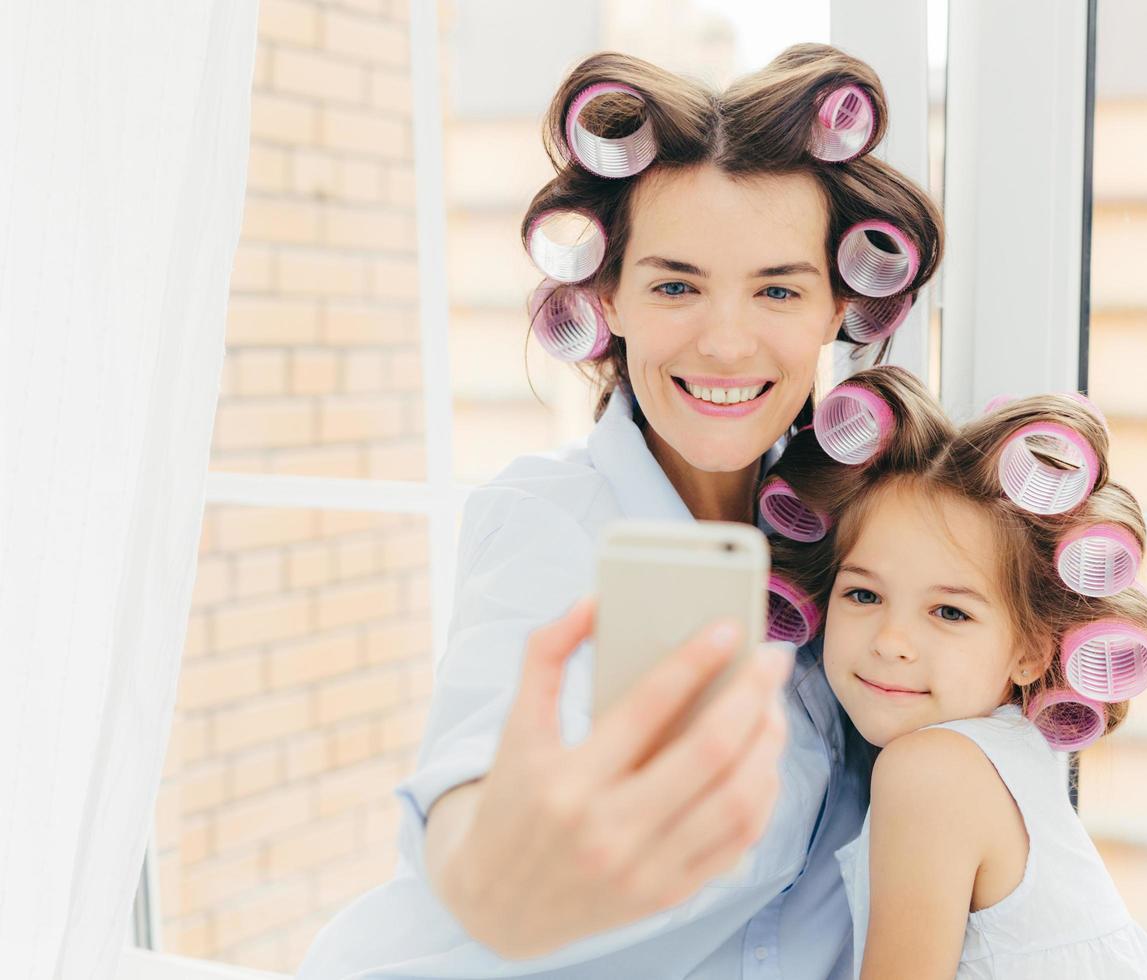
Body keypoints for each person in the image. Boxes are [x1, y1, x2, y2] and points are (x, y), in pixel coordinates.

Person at [297, 43, 943, 979]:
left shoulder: (857, 531)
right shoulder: (549, 523)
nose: (725, 342)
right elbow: (475, 806)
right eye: (675, 284)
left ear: (838, 307)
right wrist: (508, 878)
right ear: (610, 296)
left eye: (777, 289)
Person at [760, 366, 1147, 979]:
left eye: (950, 612)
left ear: (1032, 649)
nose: (892, 642)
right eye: (863, 596)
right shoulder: (1000, 750)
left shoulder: (931, 770)